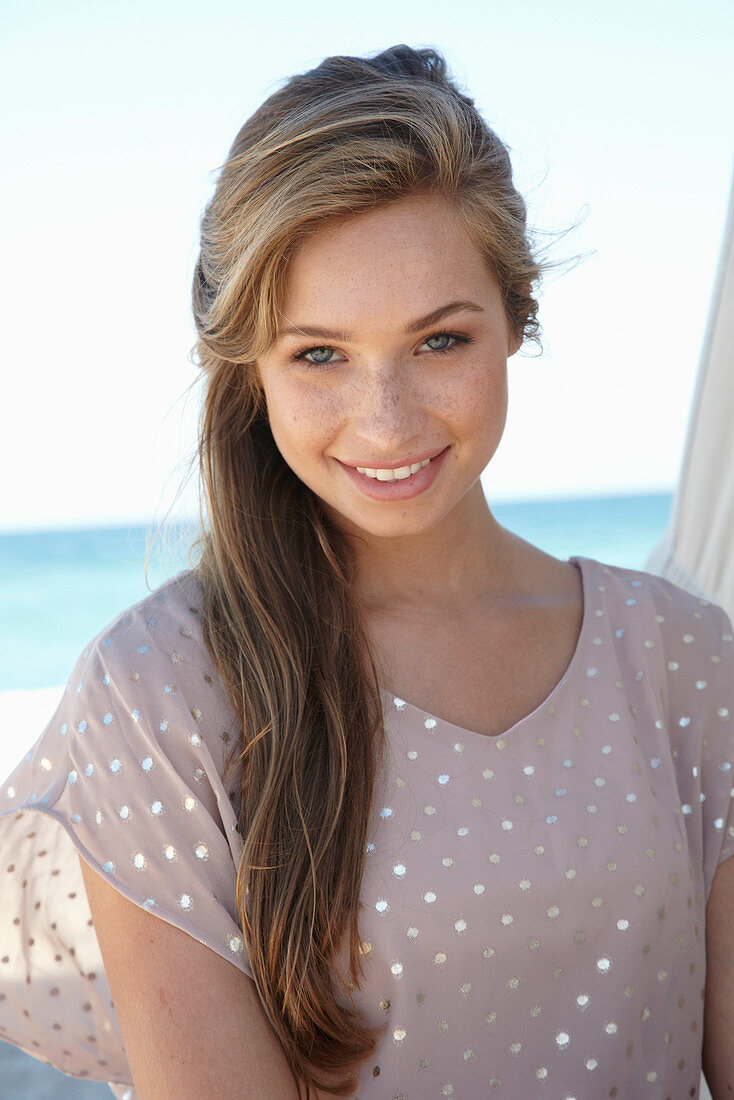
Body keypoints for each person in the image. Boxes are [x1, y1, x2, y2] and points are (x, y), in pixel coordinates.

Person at [0, 42, 733, 1100]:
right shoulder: (160, 693)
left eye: (437, 341)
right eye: (319, 354)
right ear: (247, 366)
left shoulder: (685, 661)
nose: (384, 421)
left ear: (515, 317)